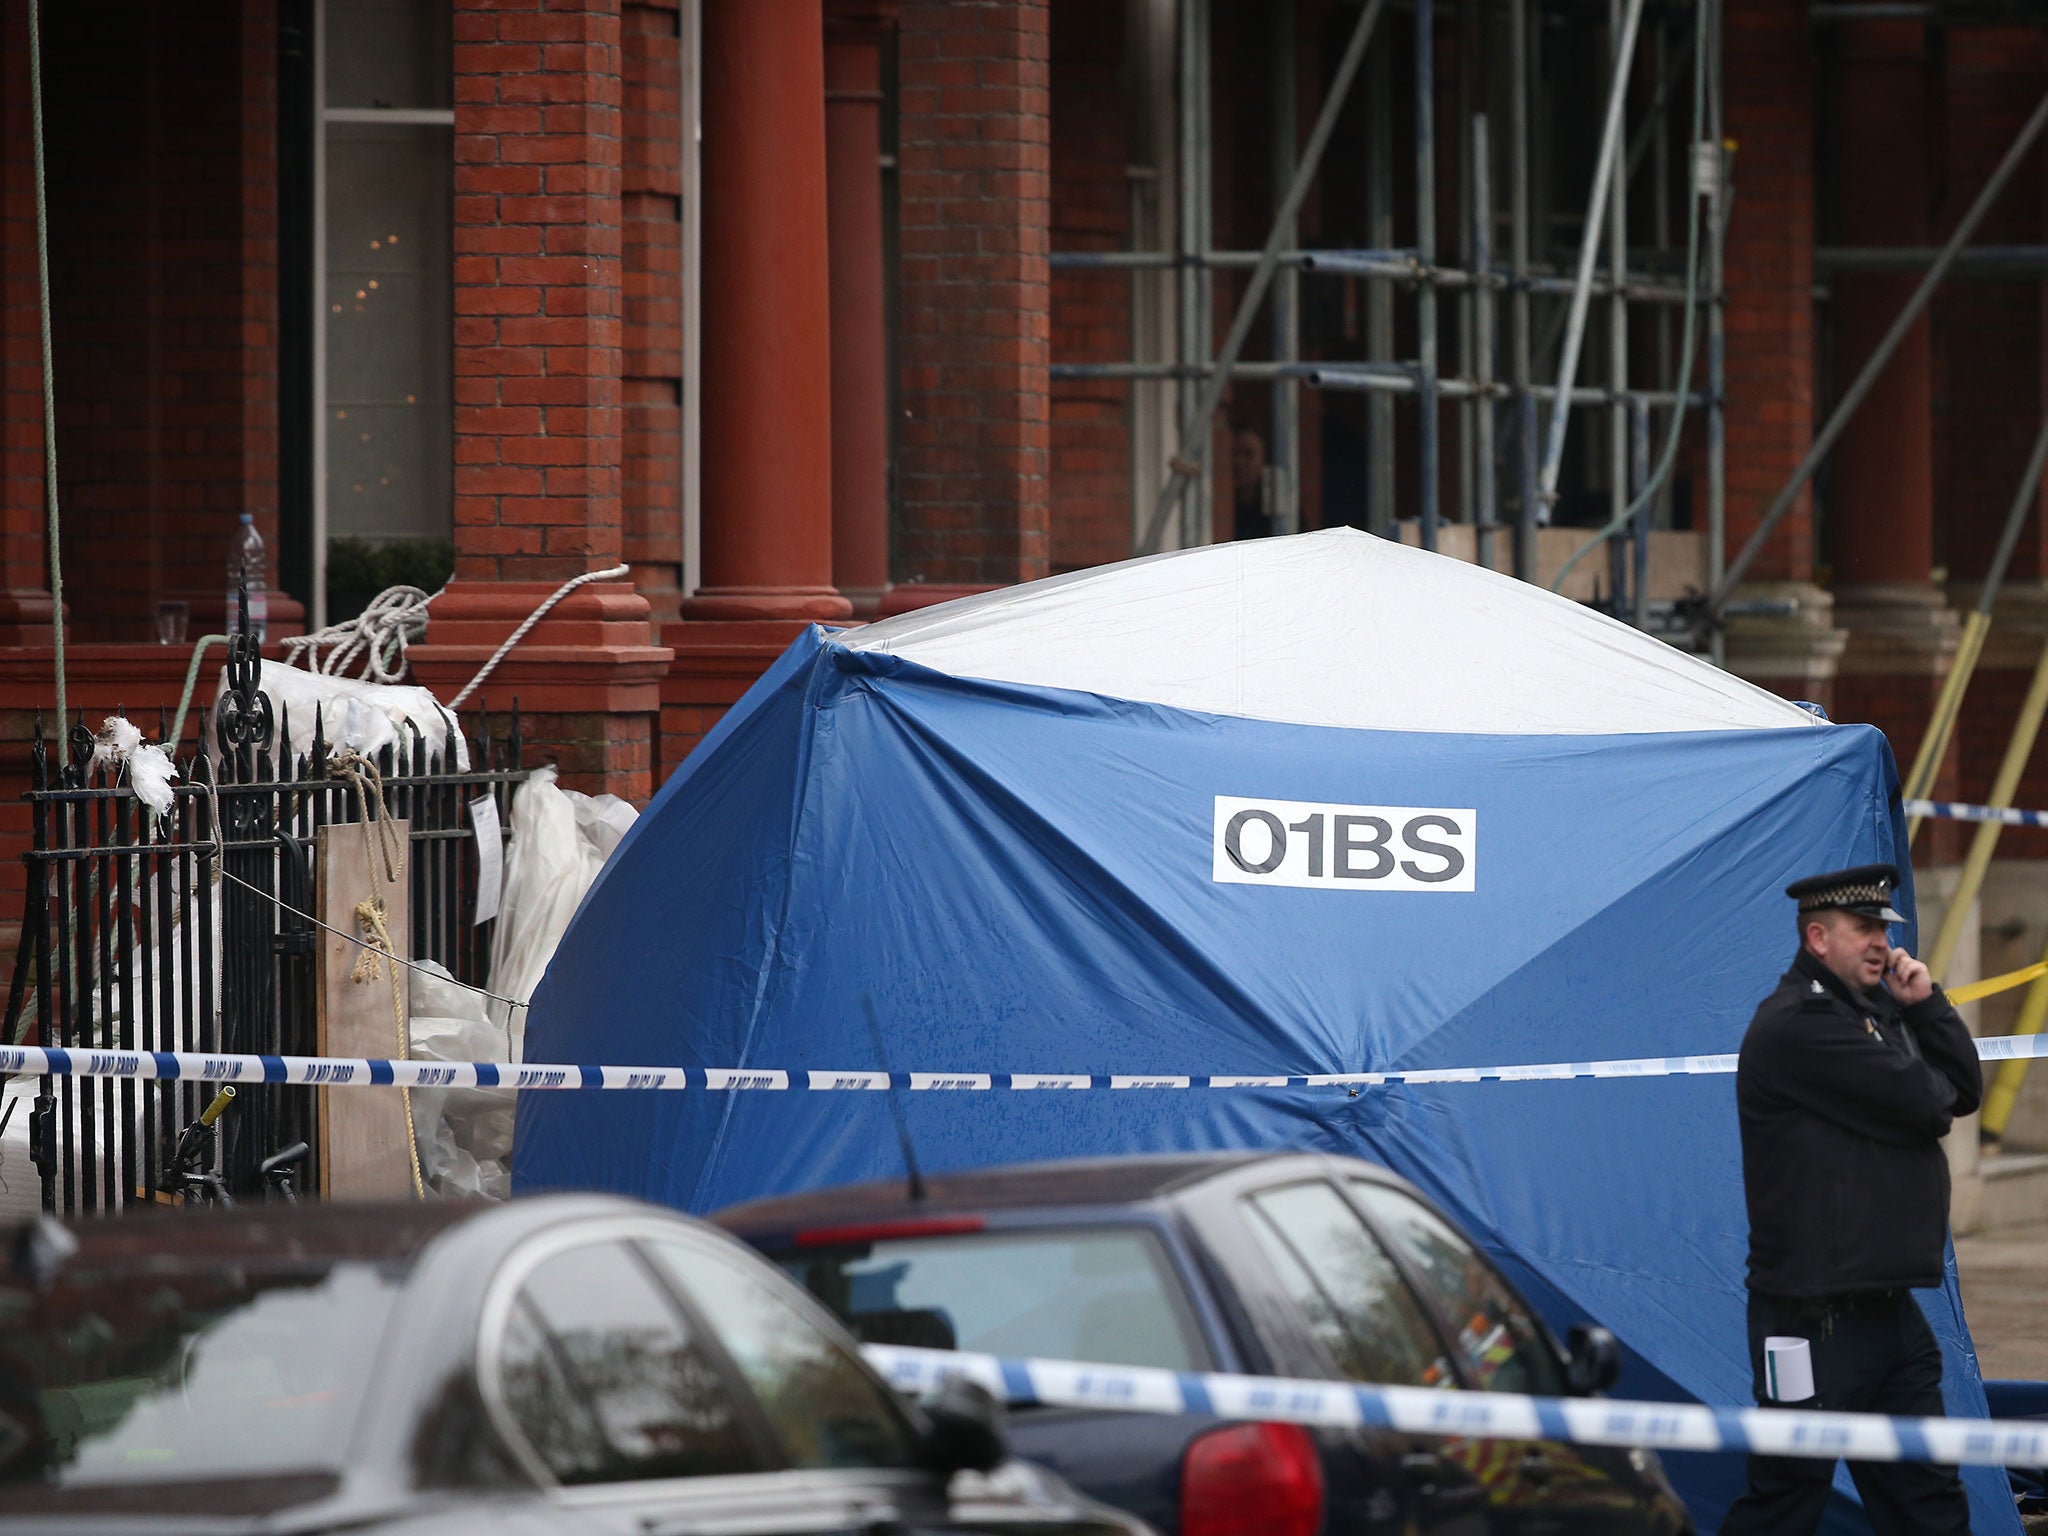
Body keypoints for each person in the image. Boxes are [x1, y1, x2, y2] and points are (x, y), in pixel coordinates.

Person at [1721, 863, 1982, 1536]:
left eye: (1883, 928)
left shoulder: (1873, 1013)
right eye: (1863, 928)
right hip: (1811, 1319)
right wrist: (1917, 1052)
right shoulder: (1801, 1025)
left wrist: (1925, 1005)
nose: (1881, 942)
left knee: (1927, 1500)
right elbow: (1930, 1104)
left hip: (1888, 1313)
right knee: (1785, 1500)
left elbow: (1963, 1091)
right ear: (1817, 938)